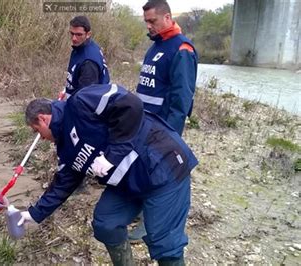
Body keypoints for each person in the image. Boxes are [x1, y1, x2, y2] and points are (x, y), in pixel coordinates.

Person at [17, 84, 198, 265]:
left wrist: (112, 157)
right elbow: (63, 184)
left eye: (36, 130)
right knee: (106, 223)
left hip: (164, 167)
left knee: (165, 244)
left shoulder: (81, 103)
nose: (40, 137)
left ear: (43, 119)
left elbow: (131, 104)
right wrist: (33, 214)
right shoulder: (65, 149)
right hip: (129, 184)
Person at [129, 0, 198, 243]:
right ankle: (138, 210)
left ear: (167, 18)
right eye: (146, 21)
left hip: (162, 130)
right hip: (143, 125)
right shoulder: (156, 46)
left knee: (158, 174)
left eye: (152, 21)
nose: (148, 26)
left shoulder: (182, 49)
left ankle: (150, 224)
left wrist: (171, 136)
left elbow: (181, 99)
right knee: (142, 169)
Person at [65, 16, 110, 99]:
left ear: (88, 34)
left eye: (79, 34)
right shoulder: (81, 47)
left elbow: (85, 99)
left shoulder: (88, 62)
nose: (74, 38)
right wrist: (65, 91)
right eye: (72, 33)